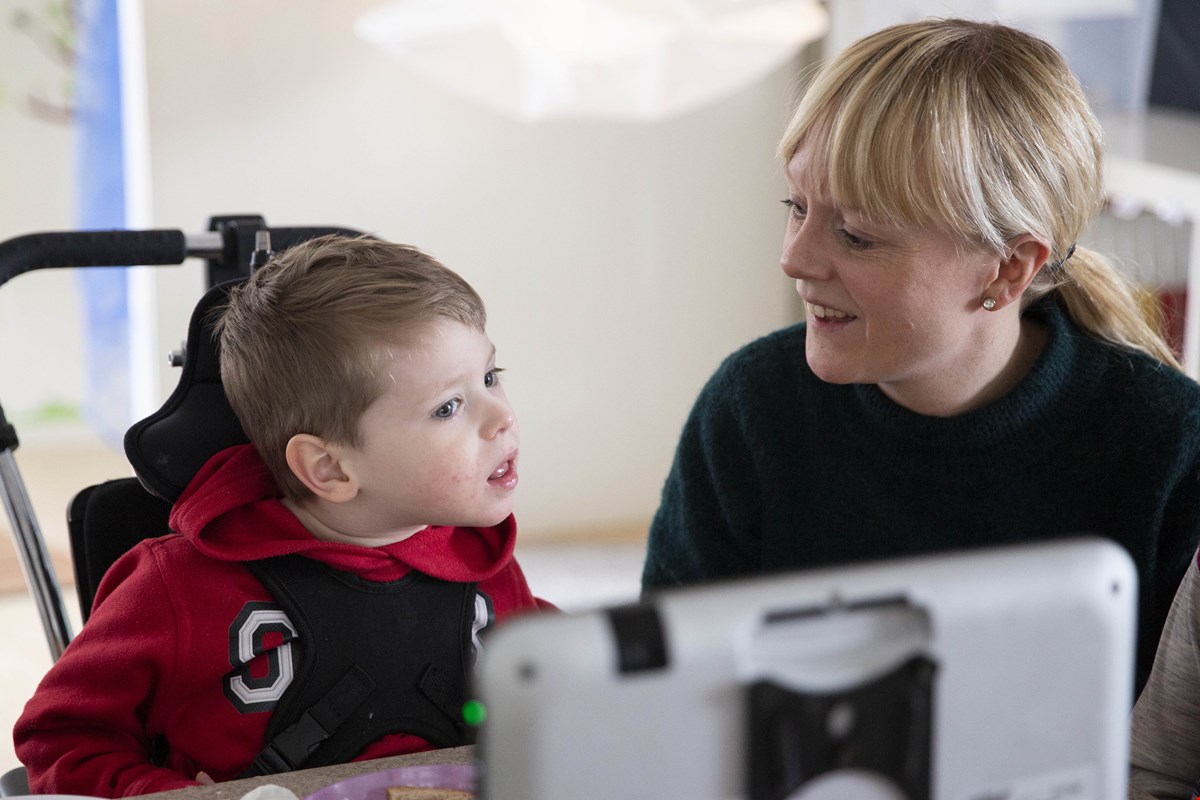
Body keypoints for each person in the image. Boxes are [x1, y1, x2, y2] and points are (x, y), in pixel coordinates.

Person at [641, 17, 1200, 700]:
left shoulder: (1171, 451)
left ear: (1007, 269)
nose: (794, 257)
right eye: (798, 206)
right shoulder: (752, 406)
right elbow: (660, 700)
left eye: (857, 235)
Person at [13, 234, 552, 797]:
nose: (502, 418)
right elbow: (59, 740)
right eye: (448, 407)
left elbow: (569, 692)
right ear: (329, 469)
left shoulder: (486, 563)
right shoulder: (174, 591)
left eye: (491, 377)